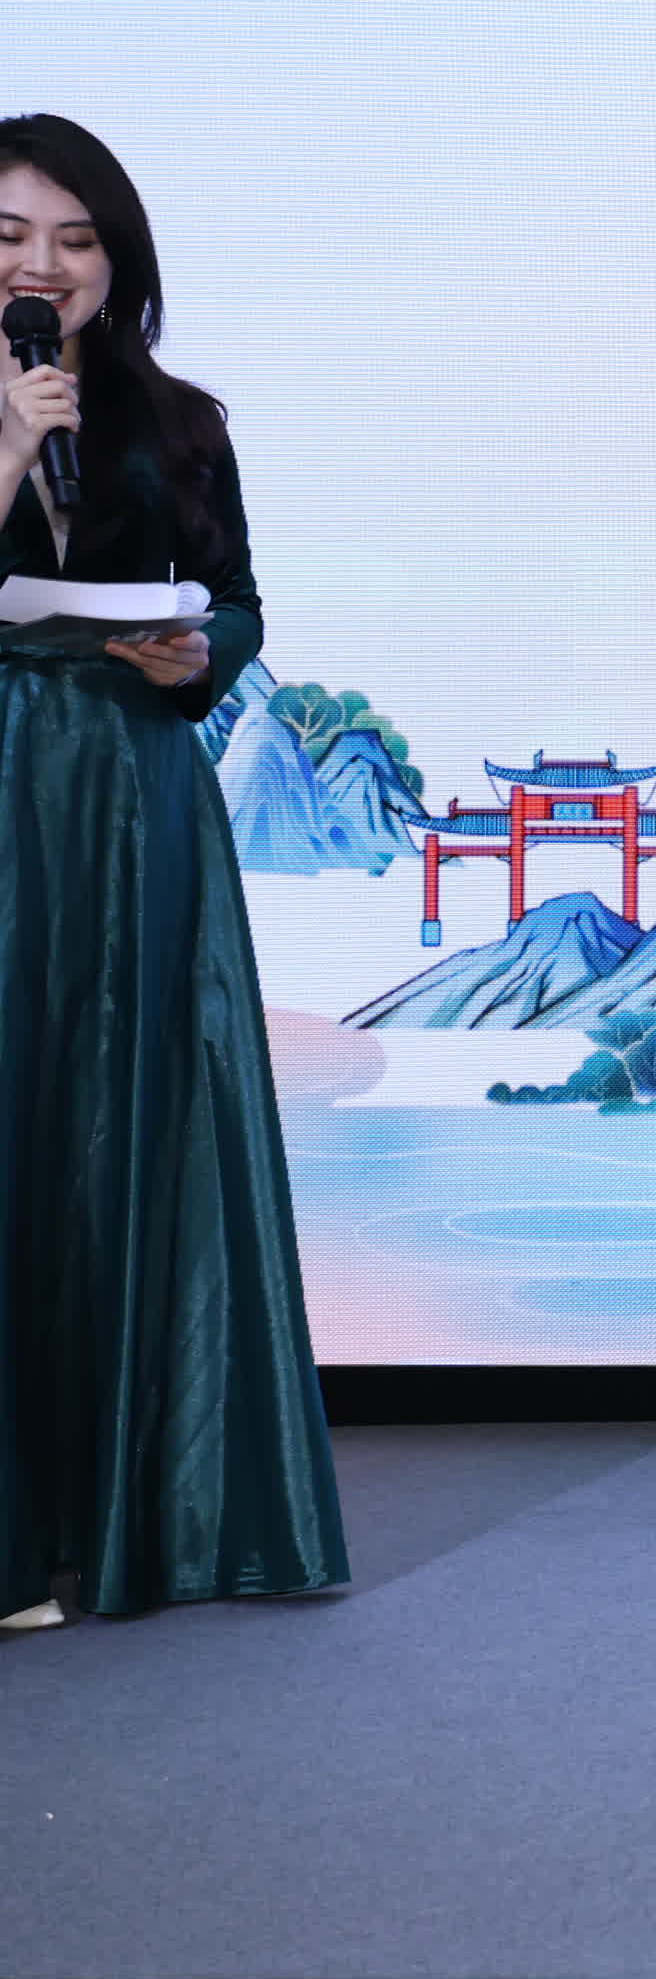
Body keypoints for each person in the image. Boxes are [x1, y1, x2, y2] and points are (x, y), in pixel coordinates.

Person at [0, 113, 349, 1632]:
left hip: (134, 794)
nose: (43, 266)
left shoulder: (179, 419)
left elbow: (243, 601)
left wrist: (200, 653)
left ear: (118, 261)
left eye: (76, 240)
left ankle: (157, 1512)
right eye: (11, 237)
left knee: (129, 1128)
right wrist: (10, 443)